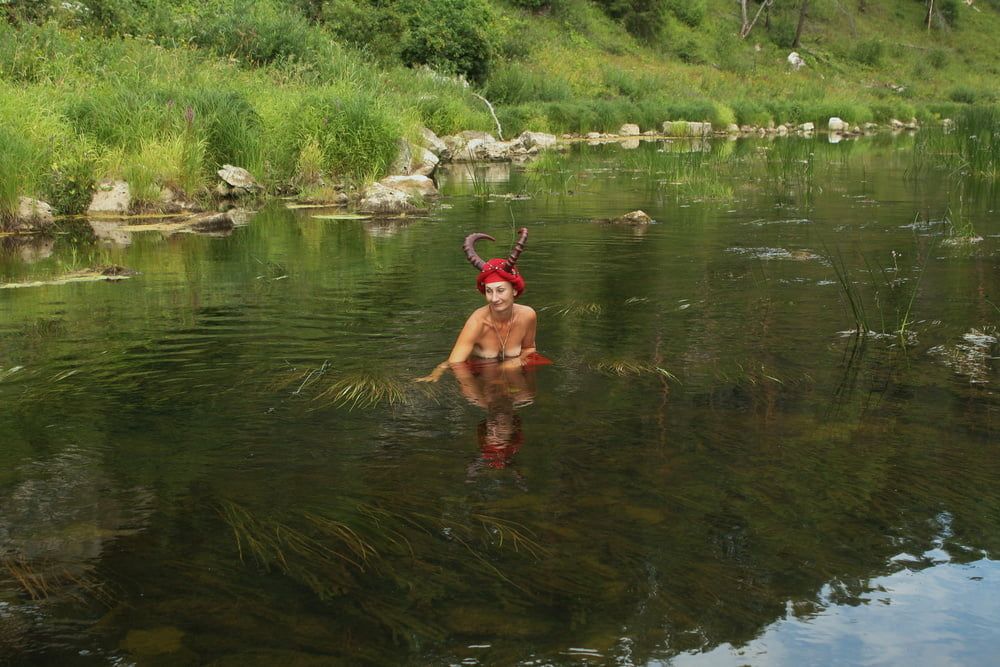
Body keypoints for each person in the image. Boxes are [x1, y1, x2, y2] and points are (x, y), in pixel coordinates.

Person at [417, 227, 538, 382]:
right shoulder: (477, 322)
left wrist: (512, 364)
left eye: (500, 290)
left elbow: (529, 349)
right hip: (483, 378)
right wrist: (437, 372)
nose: (494, 298)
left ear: (514, 291)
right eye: (489, 291)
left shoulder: (528, 315)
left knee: (526, 398)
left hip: (515, 376)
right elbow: (455, 363)